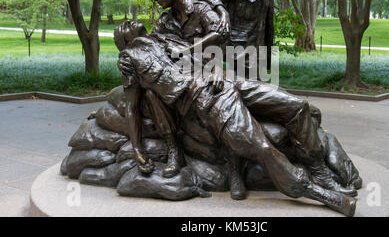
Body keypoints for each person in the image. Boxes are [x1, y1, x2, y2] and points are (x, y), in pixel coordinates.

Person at [114, 20, 358, 216]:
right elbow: (133, 108)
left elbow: (209, 55)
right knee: (261, 147)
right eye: (124, 25)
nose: (130, 22)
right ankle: (322, 194)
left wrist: (218, 70)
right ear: (123, 40)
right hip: (209, 99)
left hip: (231, 81)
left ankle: (321, 173)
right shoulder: (129, 60)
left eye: (131, 21)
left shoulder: (165, 37)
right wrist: (137, 150)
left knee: (298, 106)